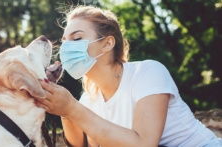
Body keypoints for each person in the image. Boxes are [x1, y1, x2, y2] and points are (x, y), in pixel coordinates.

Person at [33, 6, 222, 147]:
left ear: (107, 44)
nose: (66, 48)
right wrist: (64, 111)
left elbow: (144, 144)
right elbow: (83, 144)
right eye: (65, 42)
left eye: (77, 39)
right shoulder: (89, 99)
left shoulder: (148, 73)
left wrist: (72, 108)